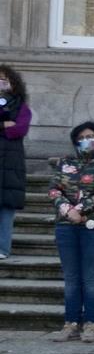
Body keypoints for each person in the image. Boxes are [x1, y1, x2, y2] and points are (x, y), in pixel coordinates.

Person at [48, 121, 94, 343]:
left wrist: (79, 210)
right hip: (66, 225)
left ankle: (90, 323)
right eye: (81, 137)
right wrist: (67, 210)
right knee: (71, 277)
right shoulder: (64, 163)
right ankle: (70, 323)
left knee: (90, 276)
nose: (86, 140)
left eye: (90, 135)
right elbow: (54, 189)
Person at [0, 65, 31, 262]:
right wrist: (3, 124)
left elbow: (19, 129)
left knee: (6, 209)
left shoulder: (21, 106)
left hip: (11, 162)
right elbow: (9, 128)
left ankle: (3, 247)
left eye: (4, 79)